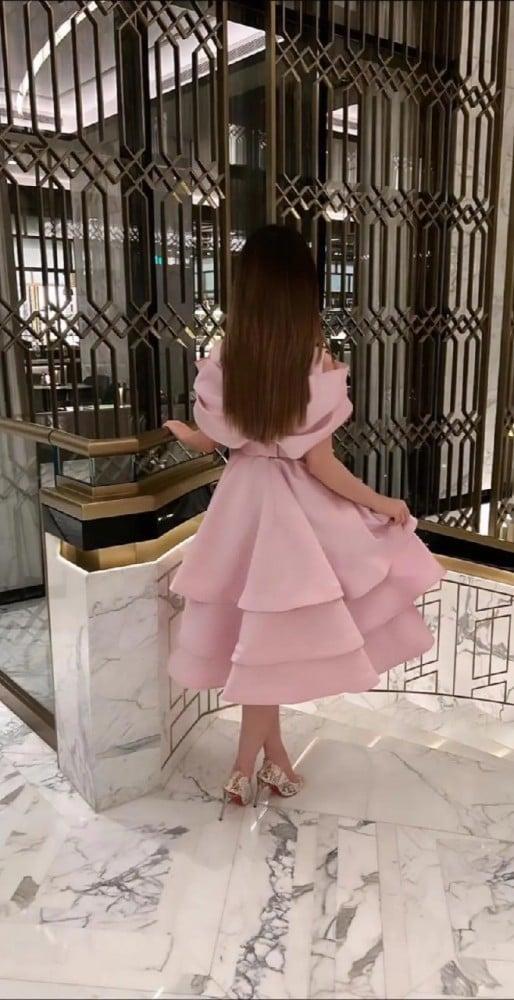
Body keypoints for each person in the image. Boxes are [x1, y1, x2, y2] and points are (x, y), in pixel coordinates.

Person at [163, 224, 444, 819]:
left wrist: (186, 435)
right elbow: (320, 465)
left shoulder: (226, 356)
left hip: (240, 509)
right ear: (301, 290)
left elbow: (216, 439)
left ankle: (270, 762)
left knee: (260, 647)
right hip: (291, 519)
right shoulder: (314, 364)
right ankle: (245, 768)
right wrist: (380, 503)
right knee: (264, 647)